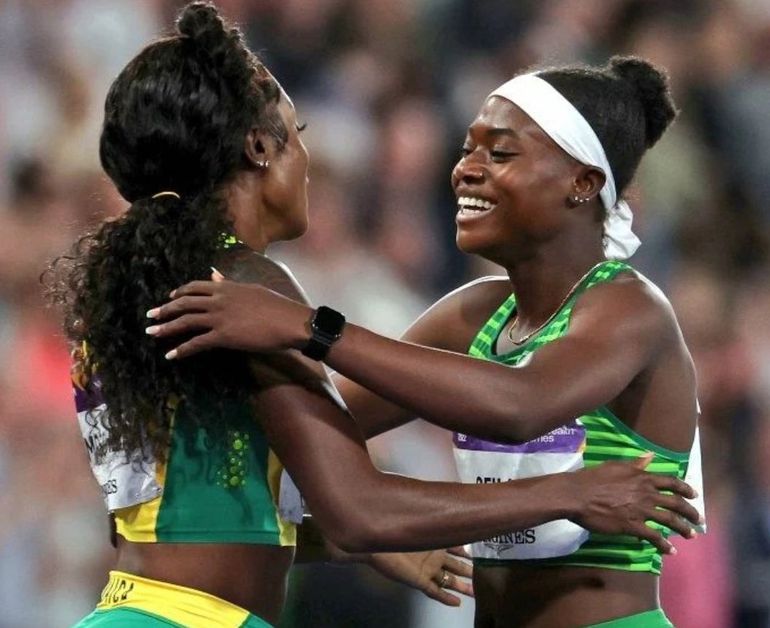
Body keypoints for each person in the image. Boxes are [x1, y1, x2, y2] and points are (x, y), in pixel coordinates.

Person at [148, 54, 704, 627]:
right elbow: (307, 444)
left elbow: (520, 405)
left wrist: (307, 327)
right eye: (467, 150)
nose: (465, 170)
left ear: (583, 183)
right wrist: (357, 533)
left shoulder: (630, 309)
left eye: (500, 153)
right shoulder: (471, 316)